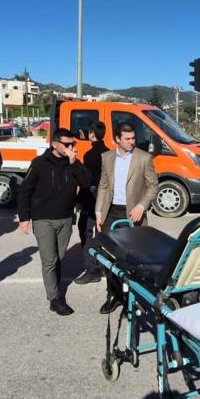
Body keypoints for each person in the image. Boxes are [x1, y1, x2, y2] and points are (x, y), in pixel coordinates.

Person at [17, 128, 90, 316]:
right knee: (49, 260)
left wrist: (74, 163)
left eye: (72, 144)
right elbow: (25, 190)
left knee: (60, 258)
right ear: (55, 144)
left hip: (65, 217)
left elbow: (86, 182)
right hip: (43, 218)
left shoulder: (72, 163)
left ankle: (55, 289)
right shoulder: (40, 163)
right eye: (67, 144)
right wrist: (24, 217)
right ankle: (54, 298)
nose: (70, 147)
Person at [94, 122, 159, 314]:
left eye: (133, 138)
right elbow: (103, 185)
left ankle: (132, 300)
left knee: (132, 261)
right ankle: (114, 296)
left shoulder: (143, 158)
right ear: (117, 139)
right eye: (127, 139)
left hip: (133, 215)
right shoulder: (106, 157)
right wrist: (98, 211)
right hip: (110, 212)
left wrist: (141, 206)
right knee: (109, 258)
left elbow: (153, 186)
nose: (132, 142)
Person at [73, 121, 109, 285]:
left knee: (86, 233)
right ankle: (103, 266)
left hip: (91, 200)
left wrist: (79, 200)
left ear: (92, 134)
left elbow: (86, 181)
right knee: (102, 233)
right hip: (106, 201)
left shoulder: (89, 155)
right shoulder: (110, 154)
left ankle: (92, 269)